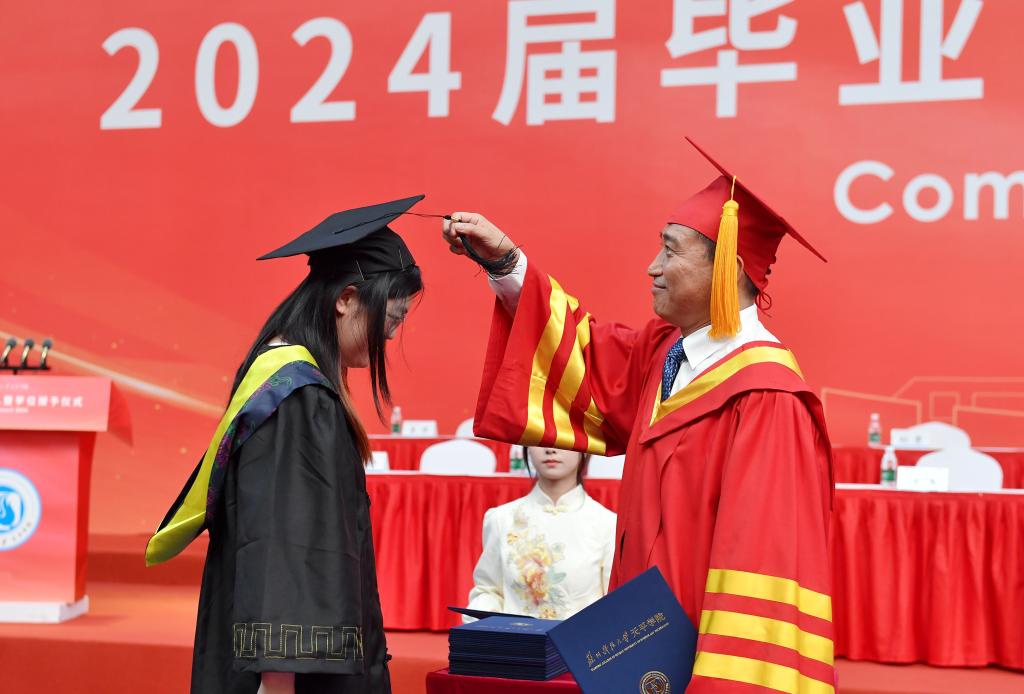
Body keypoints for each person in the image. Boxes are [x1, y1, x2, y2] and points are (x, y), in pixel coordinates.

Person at [442, 139, 836, 692]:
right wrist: (507, 263)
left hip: (707, 663)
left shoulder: (767, 397)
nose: (652, 267)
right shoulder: (668, 353)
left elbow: (762, 568)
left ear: (728, 268)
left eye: (670, 251)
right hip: (640, 653)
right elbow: (582, 356)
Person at [146, 196, 427, 694]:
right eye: (392, 317)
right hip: (290, 677)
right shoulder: (297, 399)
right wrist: (278, 682)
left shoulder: (288, 380)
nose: (391, 334)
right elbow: (286, 546)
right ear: (346, 299)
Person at [466, 446, 616, 620]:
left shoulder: (607, 524)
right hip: (514, 636)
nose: (551, 449)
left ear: (584, 449)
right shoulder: (502, 519)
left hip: (583, 636)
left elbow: (614, 604)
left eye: (563, 439)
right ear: (527, 447)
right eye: (540, 440)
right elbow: (488, 591)